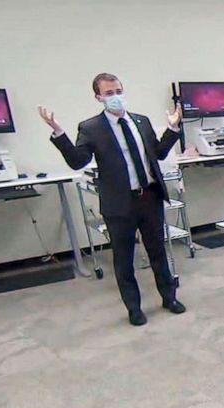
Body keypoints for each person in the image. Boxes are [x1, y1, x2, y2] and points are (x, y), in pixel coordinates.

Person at [39, 72, 184, 327]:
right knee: (123, 258)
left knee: (158, 252)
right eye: (108, 93)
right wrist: (58, 132)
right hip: (120, 204)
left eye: (118, 91)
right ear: (98, 97)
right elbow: (77, 161)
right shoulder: (91, 128)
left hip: (149, 197)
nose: (115, 97)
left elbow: (159, 154)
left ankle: (169, 298)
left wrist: (173, 128)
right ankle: (134, 308)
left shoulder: (142, 121)